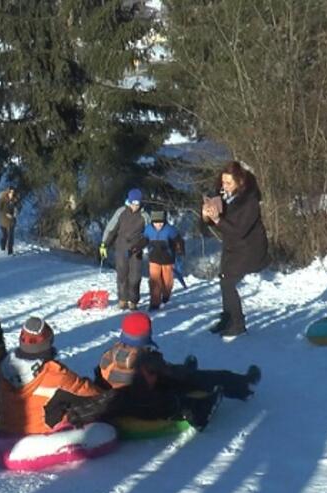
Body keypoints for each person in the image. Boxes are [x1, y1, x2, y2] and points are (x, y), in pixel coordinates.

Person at [46, 313, 261, 431]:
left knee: (173, 377)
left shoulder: (110, 353)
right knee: (193, 381)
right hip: (143, 403)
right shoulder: (147, 358)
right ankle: (242, 384)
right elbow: (171, 374)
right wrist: (185, 373)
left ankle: (238, 385)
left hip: (118, 400)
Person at [0, 316, 102, 435]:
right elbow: (94, 395)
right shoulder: (55, 373)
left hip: (10, 429)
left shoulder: (4, 366)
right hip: (42, 433)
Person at [201, 161, 269, 339]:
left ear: (240, 182)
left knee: (229, 283)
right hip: (232, 245)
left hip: (248, 247)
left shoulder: (250, 202)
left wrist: (217, 220)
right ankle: (227, 318)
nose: (224, 186)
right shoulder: (224, 195)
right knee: (224, 278)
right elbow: (214, 216)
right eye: (223, 182)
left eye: (229, 183)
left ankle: (238, 324)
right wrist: (208, 213)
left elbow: (239, 230)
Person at [100, 188, 150, 310]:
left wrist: (148, 246)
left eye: (138, 204)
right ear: (129, 201)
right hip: (121, 247)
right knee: (122, 274)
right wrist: (104, 244)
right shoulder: (121, 212)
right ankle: (122, 299)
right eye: (133, 203)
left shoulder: (144, 216)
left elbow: (149, 234)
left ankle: (133, 301)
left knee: (135, 277)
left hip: (136, 249)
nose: (135, 206)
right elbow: (111, 229)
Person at [132, 210, 184, 311]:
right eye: (156, 223)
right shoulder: (148, 230)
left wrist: (180, 249)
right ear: (152, 222)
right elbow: (144, 240)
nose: (158, 225)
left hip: (168, 259)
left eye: (161, 223)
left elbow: (179, 240)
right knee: (154, 281)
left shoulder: (170, 230)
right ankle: (154, 302)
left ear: (164, 222)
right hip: (154, 259)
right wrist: (136, 247)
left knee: (167, 281)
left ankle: (166, 294)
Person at [0, 186, 19, 255]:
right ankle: (3, 246)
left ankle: (10, 250)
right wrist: (6, 214)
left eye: (13, 192)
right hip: (3, 220)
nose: (11, 194)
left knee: (11, 236)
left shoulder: (15, 200)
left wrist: (16, 211)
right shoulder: (2, 200)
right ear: (7, 192)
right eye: (10, 192)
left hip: (12, 220)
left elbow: (19, 207)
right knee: (5, 235)